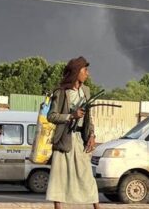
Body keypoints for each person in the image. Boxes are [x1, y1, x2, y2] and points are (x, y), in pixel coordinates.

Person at [46, 56, 100, 209]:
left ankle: (96, 206)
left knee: (87, 177)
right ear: (77, 72)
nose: (87, 74)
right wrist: (71, 116)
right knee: (59, 179)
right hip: (64, 140)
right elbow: (51, 116)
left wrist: (92, 135)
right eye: (85, 70)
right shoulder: (61, 92)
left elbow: (89, 117)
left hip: (79, 140)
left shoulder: (86, 91)